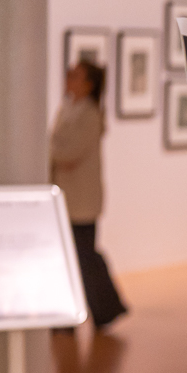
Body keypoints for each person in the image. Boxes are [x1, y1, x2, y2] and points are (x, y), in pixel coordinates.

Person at [50, 60, 127, 329]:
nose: (68, 79)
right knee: (73, 259)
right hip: (67, 200)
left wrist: (41, 150)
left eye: (75, 75)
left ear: (88, 84)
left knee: (83, 259)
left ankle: (105, 310)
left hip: (81, 202)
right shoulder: (68, 108)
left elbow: (67, 154)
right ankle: (73, 317)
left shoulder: (90, 114)